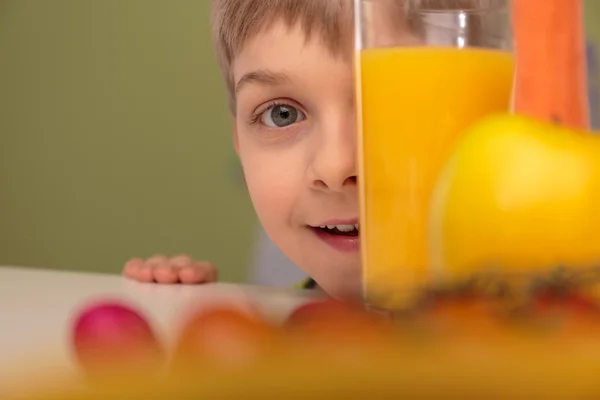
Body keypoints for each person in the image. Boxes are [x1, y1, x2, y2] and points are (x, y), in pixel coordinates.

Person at [123, 0, 360, 300]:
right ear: (239, 142)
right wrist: (183, 315)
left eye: (391, 105)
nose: (336, 166)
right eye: (282, 114)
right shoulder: (264, 330)